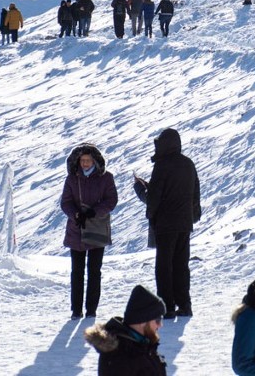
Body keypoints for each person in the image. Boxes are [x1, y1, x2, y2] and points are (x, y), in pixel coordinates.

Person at [144, 128, 201, 318]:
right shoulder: (188, 164)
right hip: (184, 223)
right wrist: (192, 216)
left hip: (166, 224)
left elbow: (154, 197)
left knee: (164, 266)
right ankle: (185, 305)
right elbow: (195, 193)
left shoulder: (161, 166)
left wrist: (150, 212)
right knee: (181, 265)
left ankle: (167, 306)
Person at [61, 143, 118, 319]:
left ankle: (91, 310)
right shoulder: (71, 179)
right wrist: (75, 214)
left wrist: (94, 212)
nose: (85, 163)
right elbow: (66, 202)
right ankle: (76, 310)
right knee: (76, 272)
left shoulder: (106, 178)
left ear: (94, 161)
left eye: (88, 160)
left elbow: (111, 200)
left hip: (96, 229)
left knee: (95, 271)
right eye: (82, 160)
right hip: (76, 229)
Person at [84, 285, 168, 376]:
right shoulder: (119, 359)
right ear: (142, 321)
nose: (160, 325)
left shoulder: (143, 345)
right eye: (157, 320)